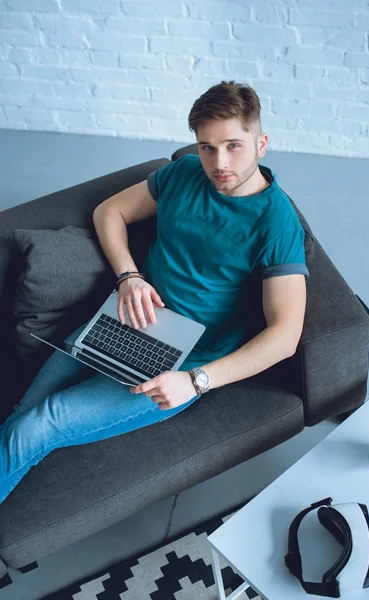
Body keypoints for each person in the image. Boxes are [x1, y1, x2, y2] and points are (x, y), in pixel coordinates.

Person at [0, 80, 309, 504]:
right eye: (206, 147)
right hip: (122, 321)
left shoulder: (276, 224)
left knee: (40, 424)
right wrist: (128, 277)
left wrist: (196, 381)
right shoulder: (183, 174)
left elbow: (285, 335)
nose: (219, 162)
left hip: (181, 363)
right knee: (21, 412)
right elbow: (109, 211)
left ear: (261, 144)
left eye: (234, 145)